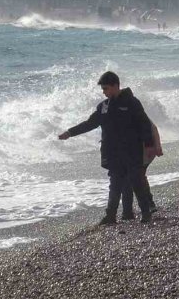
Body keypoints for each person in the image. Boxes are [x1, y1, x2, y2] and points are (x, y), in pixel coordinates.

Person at [59, 72, 156, 225]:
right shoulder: (104, 106)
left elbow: (144, 124)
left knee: (136, 182)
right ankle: (110, 216)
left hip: (132, 151)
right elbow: (89, 123)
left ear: (116, 86)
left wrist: (150, 145)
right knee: (115, 184)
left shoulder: (132, 102)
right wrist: (70, 132)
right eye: (103, 89)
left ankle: (146, 213)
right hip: (112, 153)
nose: (104, 92)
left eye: (106, 88)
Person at [121, 121, 162, 220]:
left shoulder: (136, 114)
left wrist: (157, 146)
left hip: (146, 149)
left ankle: (148, 204)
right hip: (132, 151)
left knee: (139, 175)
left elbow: (153, 128)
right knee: (133, 177)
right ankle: (130, 210)